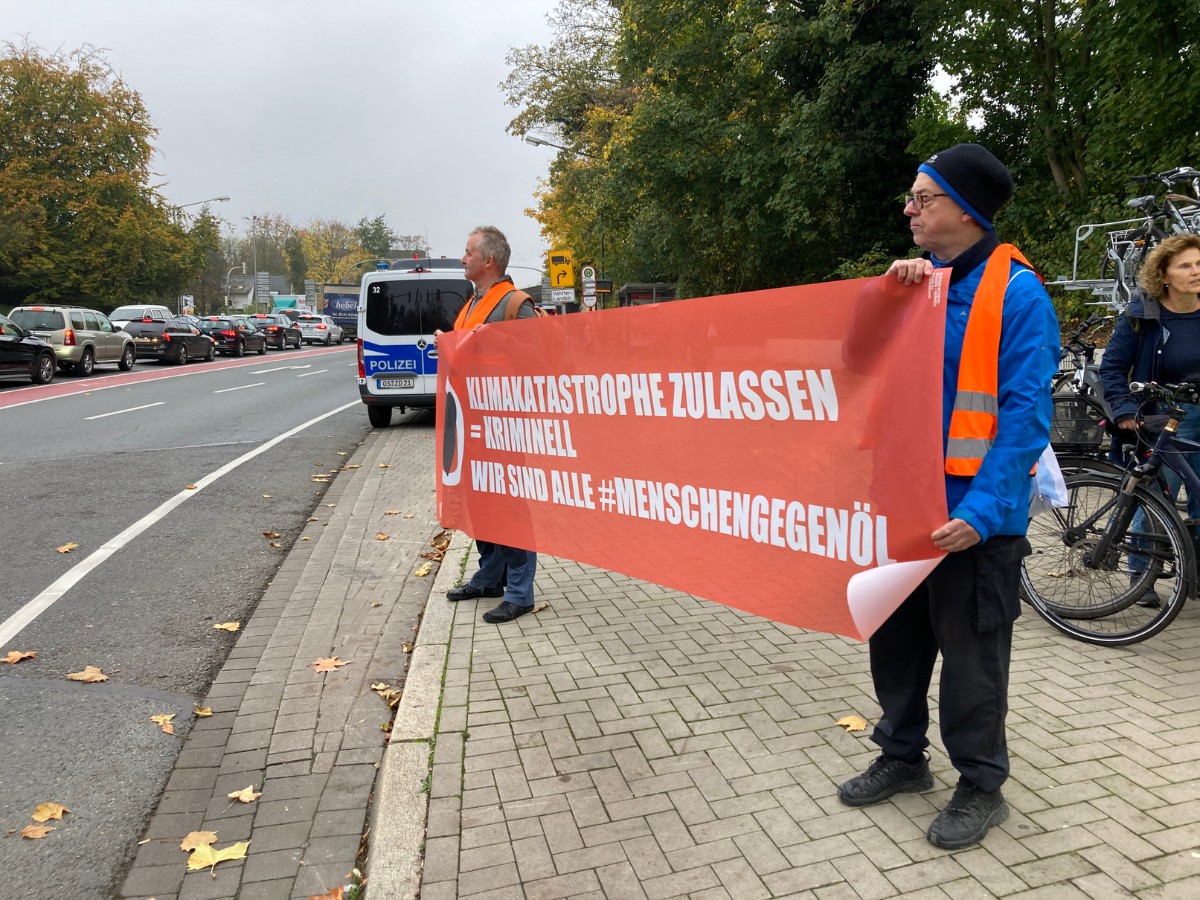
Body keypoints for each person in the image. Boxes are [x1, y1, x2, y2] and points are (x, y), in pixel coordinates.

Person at [836, 144, 1059, 850]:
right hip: (900, 508)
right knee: (895, 647)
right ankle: (902, 756)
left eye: (922, 197)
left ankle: (982, 785)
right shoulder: (913, 284)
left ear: (965, 208)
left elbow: (1025, 419)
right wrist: (884, 294)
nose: (908, 209)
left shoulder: (1019, 295)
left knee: (972, 661)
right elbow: (854, 362)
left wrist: (983, 513)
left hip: (972, 521)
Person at [435, 225, 539, 624]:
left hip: (506, 426)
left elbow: (538, 353)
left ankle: (520, 591)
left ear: (488, 260)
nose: (462, 259)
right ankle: (490, 576)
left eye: (467, 253)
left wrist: (494, 342)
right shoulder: (471, 303)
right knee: (482, 504)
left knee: (510, 506)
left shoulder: (514, 303)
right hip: (472, 424)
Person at [1098, 233, 1200, 605]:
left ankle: (1195, 574)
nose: (1196, 271)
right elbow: (1112, 368)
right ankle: (1141, 576)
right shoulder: (1144, 314)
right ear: (1165, 274)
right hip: (1165, 419)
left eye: (1199, 264)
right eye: (1186, 265)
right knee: (1154, 500)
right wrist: (1124, 409)